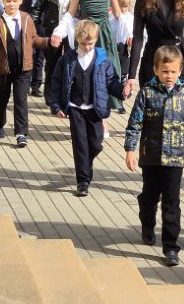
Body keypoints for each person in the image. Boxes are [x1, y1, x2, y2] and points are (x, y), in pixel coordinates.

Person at [124, 45, 184, 266]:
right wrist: (130, 149)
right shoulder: (147, 93)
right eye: (164, 71)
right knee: (149, 198)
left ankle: (171, 247)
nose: (169, 76)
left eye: (173, 71)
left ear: (180, 72)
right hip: (151, 157)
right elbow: (135, 124)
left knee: (172, 203)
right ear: (156, 70)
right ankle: (147, 225)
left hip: (175, 159)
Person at [49, 20, 126, 197]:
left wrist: (121, 91)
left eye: (90, 43)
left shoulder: (103, 60)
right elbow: (56, 82)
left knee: (95, 143)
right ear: (77, 40)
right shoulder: (67, 60)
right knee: (80, 145)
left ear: (96, 39)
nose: (87, 47)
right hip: (75, 108)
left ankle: (86, 161)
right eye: (83, 44)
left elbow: (111, 81)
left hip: (95, 108)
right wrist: (56, 106)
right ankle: (83, 182)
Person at [0, 0, 53, 147]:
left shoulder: (26, 19)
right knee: (1, 99)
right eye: (8, 1)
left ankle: (21, 133)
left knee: (21, 100)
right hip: (3, 69)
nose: (11, 4)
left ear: (21, 1)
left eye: (15, 1)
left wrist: (49, 41)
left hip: (23, 69)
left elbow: (34, 39)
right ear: (3, 1)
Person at [67, 0, 122, 114]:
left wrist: (130, 33)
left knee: (107, 70)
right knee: (86, 72)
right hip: (86, 34)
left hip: (104, 35)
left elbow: (118, 14)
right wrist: (62, 31)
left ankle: (104, 110)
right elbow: (70, 13)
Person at [34, 0, 81, 104]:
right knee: (52, 64)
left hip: (70, 31)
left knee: (69, 64)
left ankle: (65, 95)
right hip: (51, 30)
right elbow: (37, 9)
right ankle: (50, 95)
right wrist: (35, 30)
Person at [15, 0, 50, 97]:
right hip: (26, 15)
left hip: (42, 18)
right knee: (27, 50)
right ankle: (25, 81)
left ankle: (36, 85)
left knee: (40, 53)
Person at [116, 0, 134, 82]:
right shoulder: (111, 17)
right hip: (115, 47)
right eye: (121, 6)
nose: (123, 9)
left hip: (125, 48)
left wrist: (131, 37)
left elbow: (133, 30)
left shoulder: (131, 18)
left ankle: (123, 78)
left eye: (125, 6)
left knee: (124, 66)